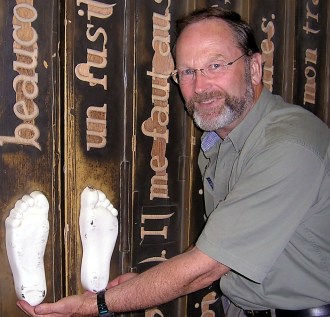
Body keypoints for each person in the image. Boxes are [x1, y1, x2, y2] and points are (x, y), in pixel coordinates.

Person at [18, 6, 330, 317]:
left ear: (254, 68)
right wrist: (145, 285)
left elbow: (206, 266)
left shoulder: (290, 143)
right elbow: (227, 249)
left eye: (216, 65)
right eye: (187, 72)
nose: (201, 86)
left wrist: (96, 305)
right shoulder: (220, 143)